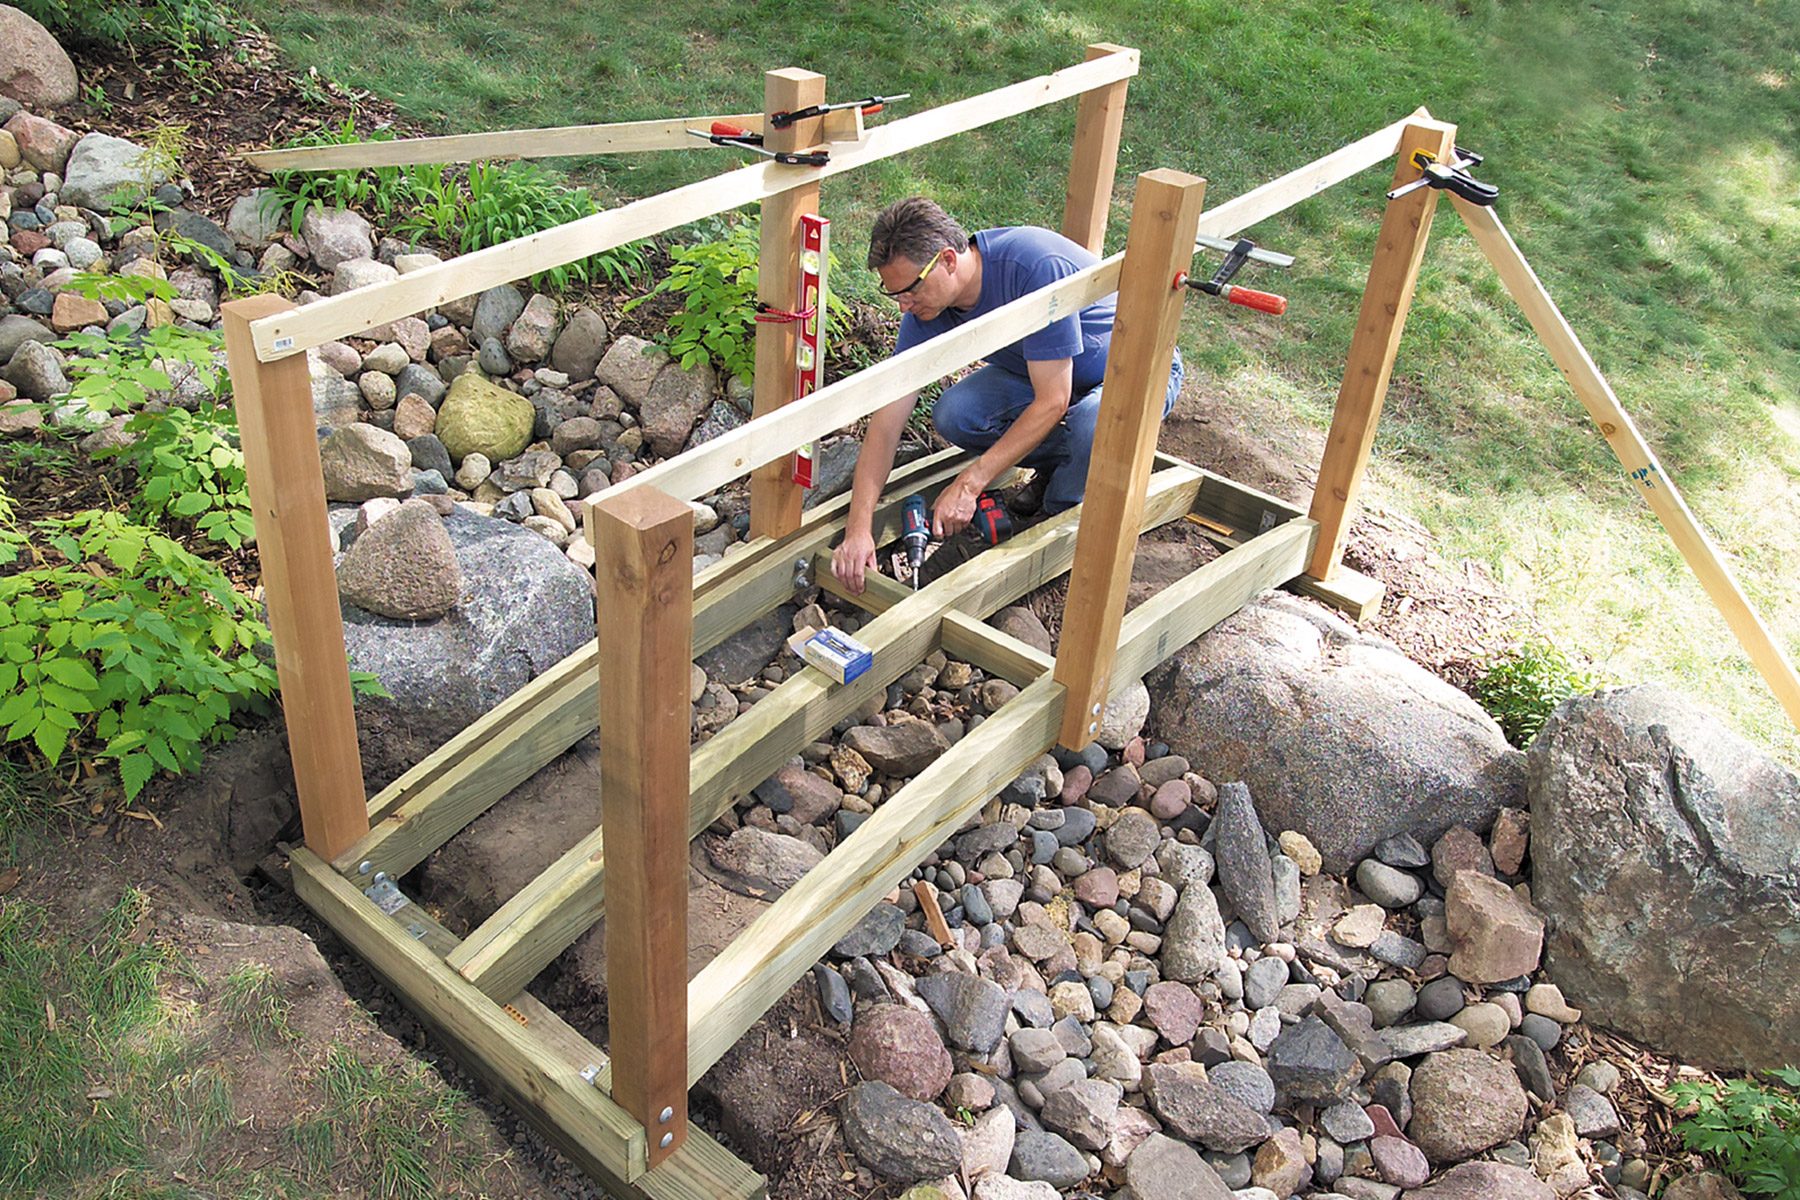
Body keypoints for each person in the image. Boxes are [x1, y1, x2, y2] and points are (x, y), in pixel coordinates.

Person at [830, 197, 1184, 594]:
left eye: (910, 290)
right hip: (1042, 375)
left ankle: (1057, 516)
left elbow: (1054, 400)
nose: (903, 306)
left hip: (1133, 373)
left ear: (948, 259)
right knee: (957, 414)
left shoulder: (1033, 268)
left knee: (1091, 420)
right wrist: (858, 530)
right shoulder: (925, 309)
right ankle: (1069, 464)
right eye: (893, 294)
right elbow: (888, 420)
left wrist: (970, 483)